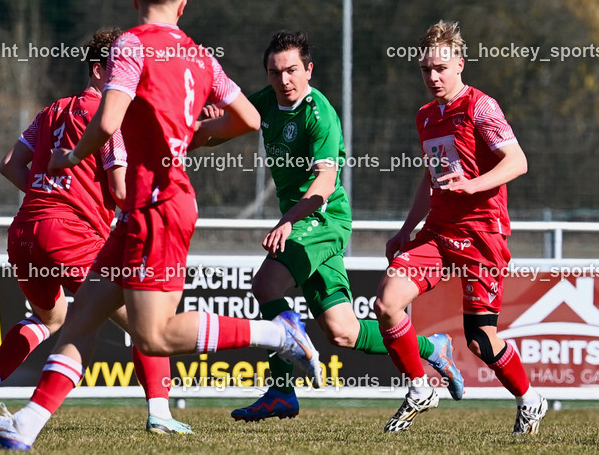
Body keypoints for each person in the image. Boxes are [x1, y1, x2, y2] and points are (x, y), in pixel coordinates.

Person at [0, 0, 320, 451]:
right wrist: (193, 137)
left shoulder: (131, 44)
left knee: (153, 335)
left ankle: (279, 335)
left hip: (159, 205)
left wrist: (71, 154)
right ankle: (26, 426)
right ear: (183, 4)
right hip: (143, 210)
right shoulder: (198, 54)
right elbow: (249, 120)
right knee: (81, 316)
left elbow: (107, 123)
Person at [198, 30, 462, 421]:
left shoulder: (320, 113)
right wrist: (187, 134)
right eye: (274, 72)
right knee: (343, 331)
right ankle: (432, 348)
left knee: (265, 284)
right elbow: (221, 130)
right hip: (301, 222)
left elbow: (323, 183)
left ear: (309, 69)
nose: (283, 80)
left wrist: (288, 221)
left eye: (291, 70)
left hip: (322, 218)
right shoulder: (266, 101)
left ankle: (281, 391)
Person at [0, 27, 190, 435]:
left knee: (50, 319)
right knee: (146, 323)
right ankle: (161, 414)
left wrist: (47, 193)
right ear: (101, 70)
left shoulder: (53, 110)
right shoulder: (108, 118)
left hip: (27, 234)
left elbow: (10, 164)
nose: (131, 79)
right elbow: (120, 190)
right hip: (70, 236)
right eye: (124, 69)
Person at [373, 20, 547, 434]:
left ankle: (531, 399)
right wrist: (405, 229)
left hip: (481, 234)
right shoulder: (425, 116)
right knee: (387, 302)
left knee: (481, 340)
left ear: (460, 66)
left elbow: (517, 162)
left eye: (441, 69)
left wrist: (473, 185)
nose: (433, 77)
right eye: (425, 70)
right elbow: (430, 177)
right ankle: (419, 387)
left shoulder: (480, 107)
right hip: (437, 231)